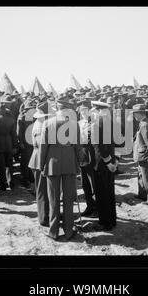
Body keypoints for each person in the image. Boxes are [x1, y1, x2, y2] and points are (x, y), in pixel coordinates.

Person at [38, 98, 82, 240]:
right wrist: (79, 162)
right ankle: (69, 230)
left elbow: (43, 147)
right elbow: (78, 146)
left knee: (54, 199)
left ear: (57, 108)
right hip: (69, 162)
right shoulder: (74, 124)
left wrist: (41, 164)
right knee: (68, 199)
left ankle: (53, 232)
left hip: (52, 162)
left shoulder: (47, 122)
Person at [91, 100, 118, 231]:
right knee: (110, 192)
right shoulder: (112, 122)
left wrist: (107, 162)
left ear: (98, 111)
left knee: (102, 194)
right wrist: (114, 161)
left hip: (102, 164)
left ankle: (105, 222)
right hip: (111, 161)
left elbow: (100, 147)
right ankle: (112, 220)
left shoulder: (97, 124)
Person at [28, 101, 54, 227]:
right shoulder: (41, 126)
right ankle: (44, 217)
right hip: (40, 159)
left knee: (45, 188)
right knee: (42, 189)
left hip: (39, 158)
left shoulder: (40, 124)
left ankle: (47, 214)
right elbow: (41, 146)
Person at [132, 104, 148, 205]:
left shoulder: (145, 124)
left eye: (135, 114)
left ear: (139, 114)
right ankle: (143, 194)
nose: (134, 116)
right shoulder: (144, 123)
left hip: (145, 155)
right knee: (141, 175)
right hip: (141, 154)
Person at [0, 97, 19, 191]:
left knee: (1, 165)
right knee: (9, 165)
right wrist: (15, 146)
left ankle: (3, 184)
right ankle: (10, 182)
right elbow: (14, 134)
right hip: (9, 142)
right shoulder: (11, 120)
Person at [77, 99, 98, 217]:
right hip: (82, 156)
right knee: (85, 184)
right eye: (81, 110)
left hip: (91, 155)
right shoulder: (79, 123)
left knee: (93, 183)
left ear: (90, 111)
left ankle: (97, 208)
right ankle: (89, 206)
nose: (83, 112)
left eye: (85, 110)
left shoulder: (94, 123)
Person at [17, 99, 36, 189]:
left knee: (32, 161)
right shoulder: (22, 118)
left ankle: (31, 177)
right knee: (25, 162)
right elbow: (19, 132)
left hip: (32, 142)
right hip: (25, 142)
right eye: (30, 108)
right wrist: (20, 142)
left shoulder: (34, 117)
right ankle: (25, 179)